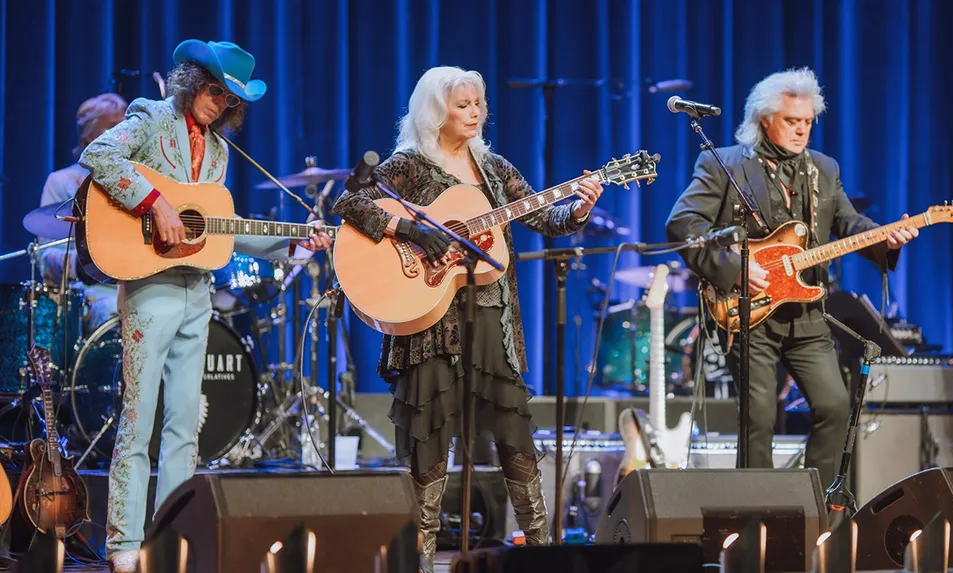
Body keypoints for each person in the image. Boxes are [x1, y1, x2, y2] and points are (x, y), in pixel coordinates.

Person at [332, 66, 604, 571]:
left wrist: (581, 207)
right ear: (437, 111)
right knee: (430, 443)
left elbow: (546, 218)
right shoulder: (410, 166)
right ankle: (421, 559)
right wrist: (411, 230)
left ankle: (542, 555)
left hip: (491, 319)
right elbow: (348, 203)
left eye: (479, 103)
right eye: (463, 104)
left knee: (516, 437)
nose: (475, 112)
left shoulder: (494, 169)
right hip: (431, 325)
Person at [79, 39, 332, 573]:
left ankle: (172, 536)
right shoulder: (150, 116)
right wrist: (155, 203)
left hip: (196, 289)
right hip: (150, 285)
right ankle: (123, 539)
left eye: (231, 99)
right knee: (138, 415)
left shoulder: (218, 151)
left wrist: (293, 240)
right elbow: (97, 156)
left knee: (184, 422)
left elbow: (220, 229)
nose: (220, 104)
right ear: (193, 81)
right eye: (216, 90)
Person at [665, 67, 919, 492]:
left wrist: (886, 239)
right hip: (750, 312)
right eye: (791, 121)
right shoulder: (722, 163)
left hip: (806, 314)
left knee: (835, 406)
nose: (802, 131)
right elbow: (682, 226)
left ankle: (814, 512)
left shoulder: (823, 168)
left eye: (807, 122)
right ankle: (757, 523)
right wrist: (736, 268)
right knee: (758, 418)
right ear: (765, 119)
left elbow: (848, 222)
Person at [38, 93, 126, 333]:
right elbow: (46, 259)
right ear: (89, 135)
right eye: (113, 127)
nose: (123, 135)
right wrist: (90, 264)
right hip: (89, 292)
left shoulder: (139, 183)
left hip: (137, 285)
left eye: (125, 127)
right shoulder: (61, 182)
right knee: (114, 314)